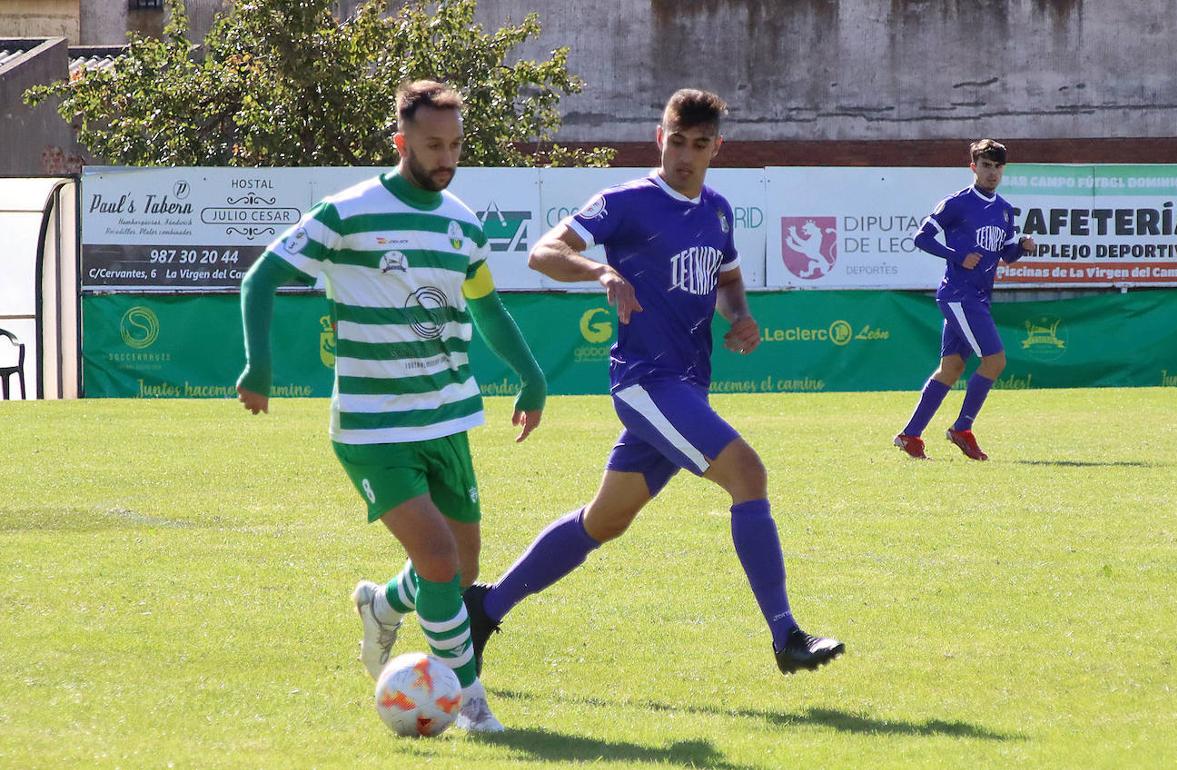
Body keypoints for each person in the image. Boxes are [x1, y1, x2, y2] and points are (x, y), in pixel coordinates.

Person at [462, 88, 844, 678]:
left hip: (686, 387)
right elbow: (543, 252)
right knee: (748, 473)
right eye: (676, 140)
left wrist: (739, 315)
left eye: (699, 144)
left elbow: (729, 276)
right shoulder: (627, 201)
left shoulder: (717, 210)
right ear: (658, 137)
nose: (685, 155)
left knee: (604, 521)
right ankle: (786, 637)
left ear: (718, 146)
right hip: (646, 381)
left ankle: (483, 610)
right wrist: (601, 270)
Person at [235, 80, 546, 733]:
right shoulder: (346, 213)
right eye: (434, 144)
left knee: (461, 569)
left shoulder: (463, 223)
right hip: (374, 427)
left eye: (455, 144)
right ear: (402, 141)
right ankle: (466, 696)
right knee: (438, 558)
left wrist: (531, 376)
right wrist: (259, 364)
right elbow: (262, 276)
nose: (446, 156)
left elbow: (486, 307)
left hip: (449, 419)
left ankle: (382, 607)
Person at [894, 139, 1037, 461]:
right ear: (973, 167)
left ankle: (910, 435)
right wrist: (956, 255)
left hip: (979, 297)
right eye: (986, 166)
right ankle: (962, 428)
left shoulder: (1003, 209)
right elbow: (921, 237)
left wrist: (1023, 247)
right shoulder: (957, 203)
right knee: (995, 360)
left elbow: (1007, 255)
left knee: (951, 367)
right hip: (959, 296)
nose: (992, 173)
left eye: (997, 167)